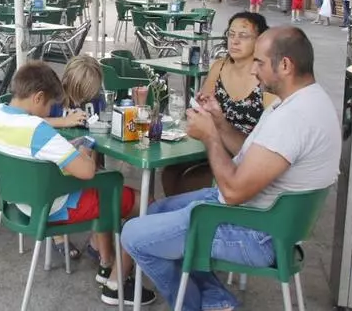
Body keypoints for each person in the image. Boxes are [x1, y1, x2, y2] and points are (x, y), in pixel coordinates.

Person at [122, 26, 340, 311]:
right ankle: (217, 302)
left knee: (133, 235)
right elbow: (251, 154)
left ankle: (192, 305)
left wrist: (210, 137)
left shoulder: (295, 118)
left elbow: (234, 191)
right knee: (156, 211)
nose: (254, 71)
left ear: (285, 65)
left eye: (260, 62)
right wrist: (220, 123)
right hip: (264, 218)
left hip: (258, 233)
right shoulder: (305, 101)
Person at [0, 61, 155, 306]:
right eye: (49, 105)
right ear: (38, 97)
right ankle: (116, 282)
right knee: (143, 201)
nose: (49, 110)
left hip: (16, 202)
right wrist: (84, 148)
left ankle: (105, 260)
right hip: (52, 206)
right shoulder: (37, 131)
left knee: (106, 191)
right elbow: (87, 172)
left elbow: (35, 130)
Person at [161, 12, 275, 197]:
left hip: (246, 156)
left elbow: (269, 138)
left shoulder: (265, 77)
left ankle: (195, 212)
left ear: (260, 41)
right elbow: (202, 108)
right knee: (170, 171)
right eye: (231, 34)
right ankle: (183, 211)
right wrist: (201, 108)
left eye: (243, 35)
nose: (235, 41)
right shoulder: (219, 67)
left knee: (189, 180)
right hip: (212, 144)